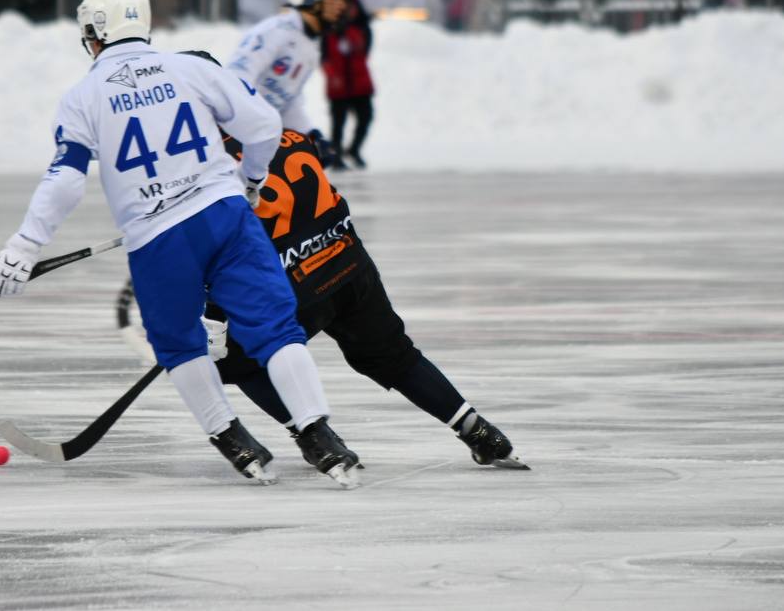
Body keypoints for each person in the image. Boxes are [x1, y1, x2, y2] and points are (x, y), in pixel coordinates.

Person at [0, 0, 362, 488]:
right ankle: (320, 437)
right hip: (224, 215)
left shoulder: (82, 97)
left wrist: (25, 245)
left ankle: (233, 440)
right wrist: (251, 179)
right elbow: (264, 125)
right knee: (275, 326)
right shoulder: (190, 67)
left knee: (178, 342)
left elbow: (67, 180)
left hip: (157, 238)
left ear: (95, 33)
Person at [118, 64, 527, 470]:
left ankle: (317, 436)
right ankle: (480, 432)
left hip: (296, 285)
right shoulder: (285, 134)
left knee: (233, 362)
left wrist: (212, 314)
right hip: (350, 266)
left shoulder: (210, 167)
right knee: (397, 357)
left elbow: (224, 249)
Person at [225, 0, 347, 167]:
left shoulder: (309, 43)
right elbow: (235, 82)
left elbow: (286, 99)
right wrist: (257, 129)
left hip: (259, 138)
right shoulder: (275, 32)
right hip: (236, 139)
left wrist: (310, 135)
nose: (342, 5)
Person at [320, 0, 374, 169]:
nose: (350, 10)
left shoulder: (362, 29)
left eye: (353, 6)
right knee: (338, 123)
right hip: (339, 84)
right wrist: (332, 75)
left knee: (366, 117)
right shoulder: (330, 30)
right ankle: (336, 156)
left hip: (359, 83)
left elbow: (364, 53)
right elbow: (324, 57)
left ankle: (354, 149)